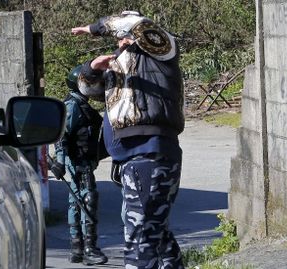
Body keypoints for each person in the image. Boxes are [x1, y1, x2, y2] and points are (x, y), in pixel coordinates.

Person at [71, 11, 185, 269]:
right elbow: (88, 90)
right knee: (157, 235)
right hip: (133, 158)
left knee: (141, 239)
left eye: (125, 36)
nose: (121, 40)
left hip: (149, 153)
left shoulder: (160, 49)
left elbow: (132, 23)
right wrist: (92, 68)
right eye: (119, 38)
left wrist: (92, 28)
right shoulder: (121, 66)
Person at [51, 65, 108, 265]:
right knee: (87, 200)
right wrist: (59, 161)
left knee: (77, 202)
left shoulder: (80, 103)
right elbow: (61, 135)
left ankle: (77, 248)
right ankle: (89, 249)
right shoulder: (73, 105)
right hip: (77, 160)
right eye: (89, 83)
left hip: (83, 160)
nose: (93, 87)